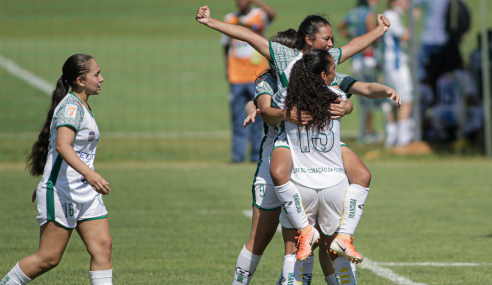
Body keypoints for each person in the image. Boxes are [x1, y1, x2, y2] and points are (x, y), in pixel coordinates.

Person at [195, 3, 390, 267]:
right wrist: (211, 22)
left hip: (319, 152)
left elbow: (355, 50)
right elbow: (249, 36)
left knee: (355, 185)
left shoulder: (328, 62)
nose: (332, 44)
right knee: (269, 238)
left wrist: (379, 30)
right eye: (327, 38)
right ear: (309, 40)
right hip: (287, 146)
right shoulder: (285, 58)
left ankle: (337, 239)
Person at [1, 54, 113, 285]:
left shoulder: (83, 105)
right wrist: (90, 174)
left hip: (85, 193)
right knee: (49, 258)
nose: (102, 78)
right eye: (96, 74)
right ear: (80, 81)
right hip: (62, 192)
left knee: (103, 248)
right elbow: (62, 146)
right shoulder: (71, 108)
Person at [221, 0, 276, 163]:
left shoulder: (259, 15)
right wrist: (227, 68)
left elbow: (272, 14)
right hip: (236, 75)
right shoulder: (230, 18)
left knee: (259, 116)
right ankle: (237, 155)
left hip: (257, 76)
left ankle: (256, 154)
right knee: (238, 117)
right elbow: (225, 45)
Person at [338, 0, 384, 143]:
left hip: (355, 60)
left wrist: (349, 36)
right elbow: (372, 34)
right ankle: (368, 131)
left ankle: (364, 131)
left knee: (362, 100)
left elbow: (340, 27)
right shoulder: (368, 14)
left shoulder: (353, 12)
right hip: (367, 58)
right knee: (370, 96)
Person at [382, 0, 413, 149]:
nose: (407, 3)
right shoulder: (391, 15)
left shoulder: (392, 15)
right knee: (405, 99)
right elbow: (404, 36)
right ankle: (402, 140)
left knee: (391, 101)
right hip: (396, 64)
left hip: (390, 64)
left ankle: (392, 137)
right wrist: (413, 21)